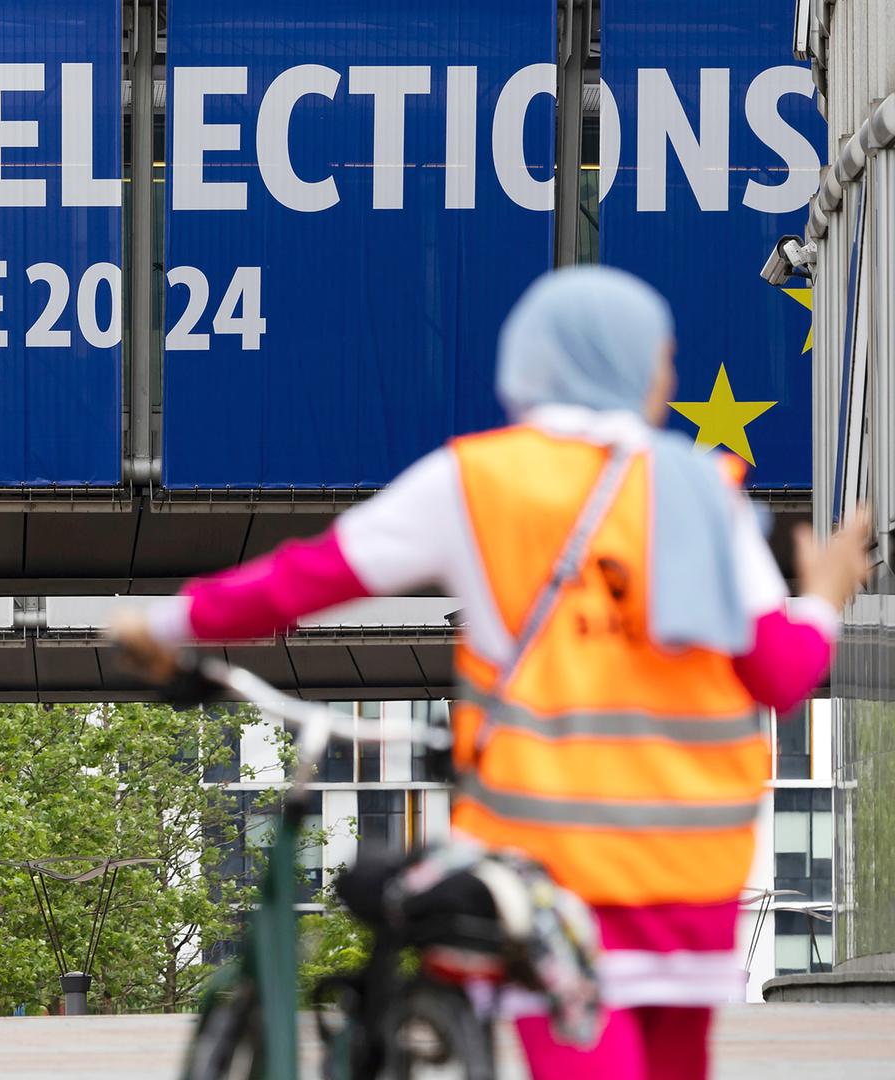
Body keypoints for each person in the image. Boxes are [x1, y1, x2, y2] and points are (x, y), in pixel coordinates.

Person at [112, 266, 871, 1080]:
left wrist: (162, 623)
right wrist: (823, 595)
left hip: (554, 876)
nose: (670, 380)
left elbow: (309, 577)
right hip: (693, 875)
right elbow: (782, 674)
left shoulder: (478, 481)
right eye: (663, 361)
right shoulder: (702, 491)